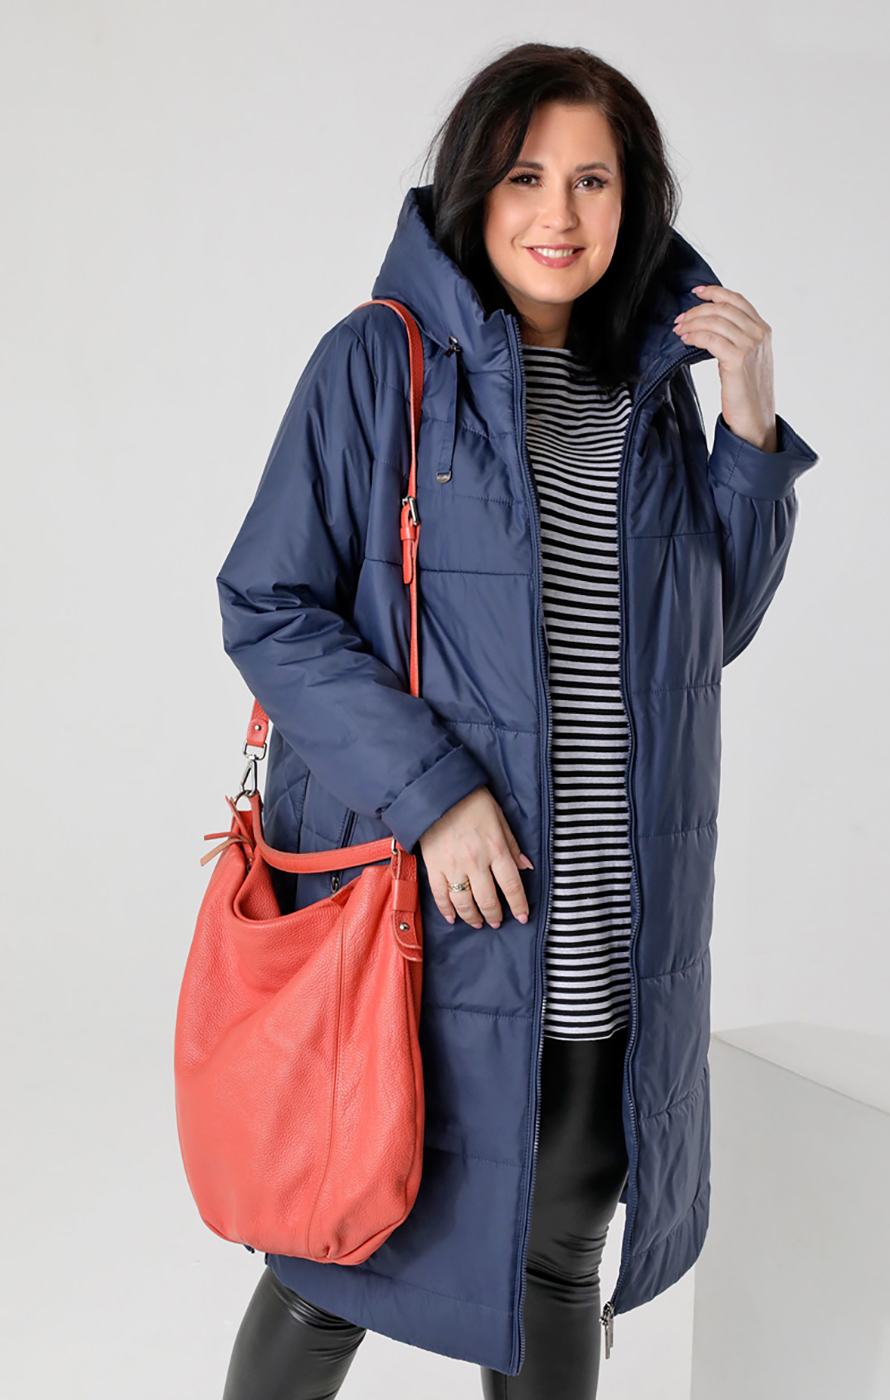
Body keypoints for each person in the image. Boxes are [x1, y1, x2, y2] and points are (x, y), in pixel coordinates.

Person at [216, 40, 819, 1400]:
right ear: (474, 188)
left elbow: (703, 639)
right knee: (332, 1262)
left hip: (604, 915)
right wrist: (435, 794)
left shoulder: (643, 394)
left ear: (635, 201)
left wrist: (749, 430)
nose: (560, 214)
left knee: (559, 1254)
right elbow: (269, 605)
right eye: (528, 176)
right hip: (424, 919)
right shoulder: (379, 364)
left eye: (595, 181)